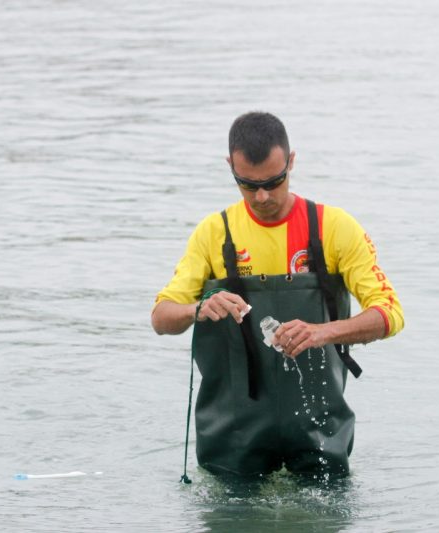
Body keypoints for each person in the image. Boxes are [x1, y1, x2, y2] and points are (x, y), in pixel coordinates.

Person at [152, 111, 404, 478]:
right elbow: (161, 318)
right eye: (247, 184)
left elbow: (391, 313)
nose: (262, 195)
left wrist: (322, 332)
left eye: (274, 180)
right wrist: (200, 308)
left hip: (318, 430)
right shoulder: (213, 233)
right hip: (233, 433)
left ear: (291, 162)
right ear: (230, 167)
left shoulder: (334, 227)